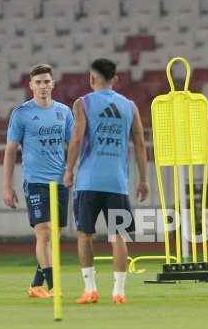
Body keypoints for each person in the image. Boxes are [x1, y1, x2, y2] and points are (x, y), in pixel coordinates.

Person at [63, 58, 149, 305]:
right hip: (117, 183)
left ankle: (90, 290)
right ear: (116, 79)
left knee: (84, 235)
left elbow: (77, 139)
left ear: (91, 79)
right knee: (118, 237)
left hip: (88, 182)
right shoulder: (130, 106)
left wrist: (68, 170)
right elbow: (140, 143)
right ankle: (119, 292)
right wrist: (143, 179)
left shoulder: (83, 103)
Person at [3, 64, 74, 298]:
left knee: (54, 236)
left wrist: (71, 170)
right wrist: (7, 185)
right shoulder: (21, 114)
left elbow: (71, 146)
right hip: (35, 180)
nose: (42, 86)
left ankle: (35, 286)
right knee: (43, 233)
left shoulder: (64, 112)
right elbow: (11, 151)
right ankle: (54, 286)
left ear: (53, 84)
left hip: (60, 180)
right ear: (31, 85)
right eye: (38, 82)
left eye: (46, 82)